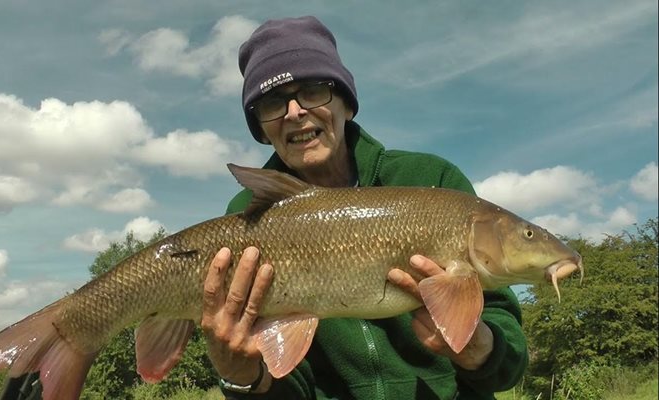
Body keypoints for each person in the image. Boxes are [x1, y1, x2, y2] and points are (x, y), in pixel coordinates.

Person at [201, 16, 528, 400]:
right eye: (273, 101)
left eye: (312, 90)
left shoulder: (431, 179)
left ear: (346, 104)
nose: (294, 111)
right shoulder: (247, 215)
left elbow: (508, 357)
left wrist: (479, 347)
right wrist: (241, 378)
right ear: (261, 126)